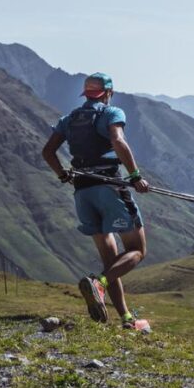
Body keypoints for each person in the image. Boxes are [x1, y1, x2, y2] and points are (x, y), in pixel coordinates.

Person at [41, 72, 151, 330]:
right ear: (108, 93)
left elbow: (48, 152)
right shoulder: (111, 113)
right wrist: (135, 176)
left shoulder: (68, 119)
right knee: (137, 250)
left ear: (86, 94)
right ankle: (98, 284)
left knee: (111, 263)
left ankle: (126, 319)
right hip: (109, 188)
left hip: (82, 192)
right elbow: (118, 140)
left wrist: (63, 175)